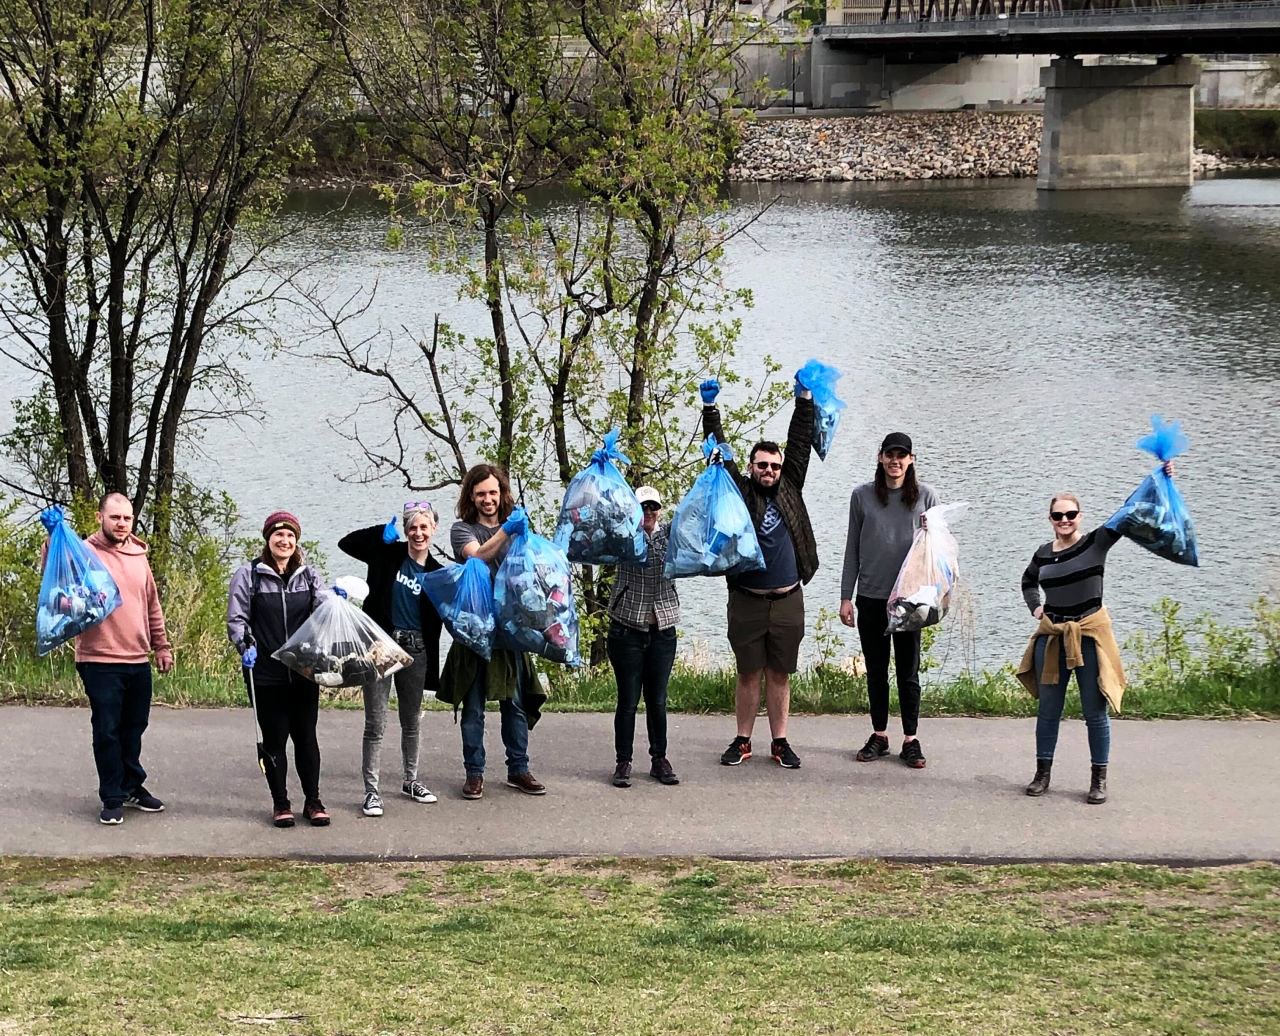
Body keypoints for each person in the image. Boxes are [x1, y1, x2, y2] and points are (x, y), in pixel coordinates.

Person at [1015, 464, 1175, 805]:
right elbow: (1028, 581)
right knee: (1048, 710)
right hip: (1054, 636)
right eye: (1058, 516)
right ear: (1050, 519)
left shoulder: (1097, 543)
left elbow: (1129, 511)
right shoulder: (1043, 553)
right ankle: (1042, 775)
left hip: (1089, 636)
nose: (1064, 520)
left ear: (1080, 516)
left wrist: (1160, 478)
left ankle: (1098, 779)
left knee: (1094, 711)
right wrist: (1036, 608)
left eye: (1070, 514)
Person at [700, 375, 817, 771]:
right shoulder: (739, 491)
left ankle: (780, 742)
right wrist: (710, 411)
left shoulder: (791, 488)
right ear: (750, 467)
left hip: (787, 600)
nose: (769, 470)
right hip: (747, 600)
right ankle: (743, 739)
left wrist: (804, 399)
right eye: (762, 465)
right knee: (749, 673)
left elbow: (800, 443)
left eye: (774, 465)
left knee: (780, 674)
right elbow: (717, 454)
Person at [43, 492, 173, 825]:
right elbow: (54, 576)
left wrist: (162, 645)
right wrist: (53, 537)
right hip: (99, 658)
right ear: (101, 517)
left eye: (127, 518)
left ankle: (132, 787)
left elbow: (151, 604)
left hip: (137, 658)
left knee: (134, 728)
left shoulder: (139, 555)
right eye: (115, 517)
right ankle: (112, 796)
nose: (121, 523)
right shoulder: (83, 552)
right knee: (107, 730)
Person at [437, 463, 547, 800]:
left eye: (493, 493)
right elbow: (478, 559)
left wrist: (525, 537)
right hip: (474, 629)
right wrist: (508, 531)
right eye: (481, 493)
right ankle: (474, 774)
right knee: (473, 709)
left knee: (513, 704)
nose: (488, 499)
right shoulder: (462, 530)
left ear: (502, 494)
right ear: (471, 496)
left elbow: (532, 572)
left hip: (510, 630)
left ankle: (519, 768)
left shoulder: (517, 528)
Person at [839, 433, 941, 770]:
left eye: (902, 455)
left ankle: (910, 739)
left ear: (911, 459)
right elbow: (852, 548)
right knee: (876, 671)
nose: (895, 461)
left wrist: (938, 591)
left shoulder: (926, 496)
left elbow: (938, 552)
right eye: (890, 455)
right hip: (871, 597)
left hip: (910, 598)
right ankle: (879, 735)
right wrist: (845, 597)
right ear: (880, 457)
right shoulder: (862, 496)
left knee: (908, 672)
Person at [339, 503, 445, 818]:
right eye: (413, 527)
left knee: (411, 722)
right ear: (406, 529)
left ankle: (410, 781)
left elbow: (452, 613)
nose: (418, 533)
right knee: (375, 724)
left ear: (434, 529)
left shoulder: (437, 574)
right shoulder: (386, 553)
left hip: (417, 650)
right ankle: (371, 793)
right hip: (380, 647)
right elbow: (347, 544)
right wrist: (378, 534)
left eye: (424, 527)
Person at [227, 511, 331, 827]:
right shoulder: (250, 576)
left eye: (290, 536)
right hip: (265, 672)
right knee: (274, 739)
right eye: (278, 536)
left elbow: (324, 610)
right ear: (268, 540)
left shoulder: (308, 576)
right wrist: (245, 645)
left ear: (296, 540)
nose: (284, 541)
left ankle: (313, 801)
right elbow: (237, 618)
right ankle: (281, 803)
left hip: (302, 672)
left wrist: (336, 602)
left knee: (306, 737)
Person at [606, 485, 680, 788]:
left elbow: (698, 515)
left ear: (660, 510)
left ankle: (659, 758)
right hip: (627, 629)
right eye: (642, 507)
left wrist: (714, 470)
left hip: (663, 629)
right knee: (627, 700)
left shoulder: (671, 536)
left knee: (658, 700)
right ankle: (623, 761)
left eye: (653, 507)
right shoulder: (624, 537)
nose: (648, 513)